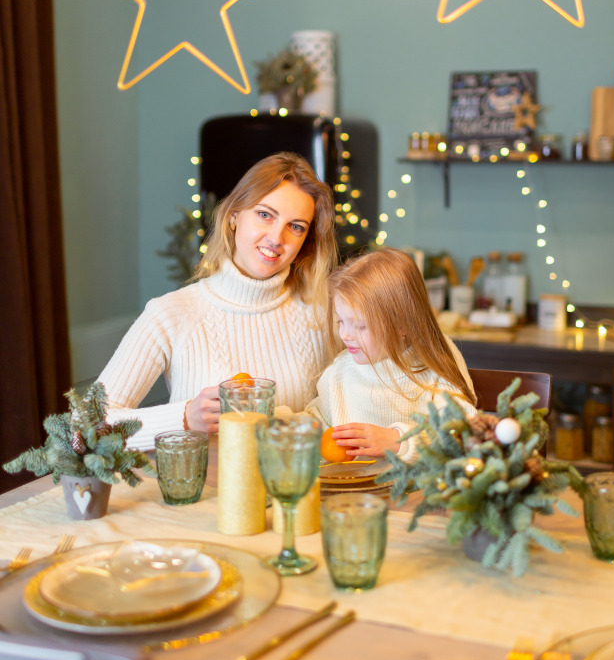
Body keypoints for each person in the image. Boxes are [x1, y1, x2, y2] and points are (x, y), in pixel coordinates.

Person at [98, 152, 337, 450]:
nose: (277, 238)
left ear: (306, 242)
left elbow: (351, 410)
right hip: (207, 492)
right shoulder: (170, 313)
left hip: (293, 489)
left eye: (296, 226)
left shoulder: (324, 313)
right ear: (235, 215)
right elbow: (87, 428)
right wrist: (184, 417)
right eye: (265, 214)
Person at [305, 248, 477, 461]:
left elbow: (461, 430)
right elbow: (316, 420)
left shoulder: (432, 367)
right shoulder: (340, 372)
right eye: (341, 321)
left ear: (402, 324)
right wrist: (275, 421)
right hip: (355, 492)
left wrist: (399, 441)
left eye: (360, 326)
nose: (345, 334)